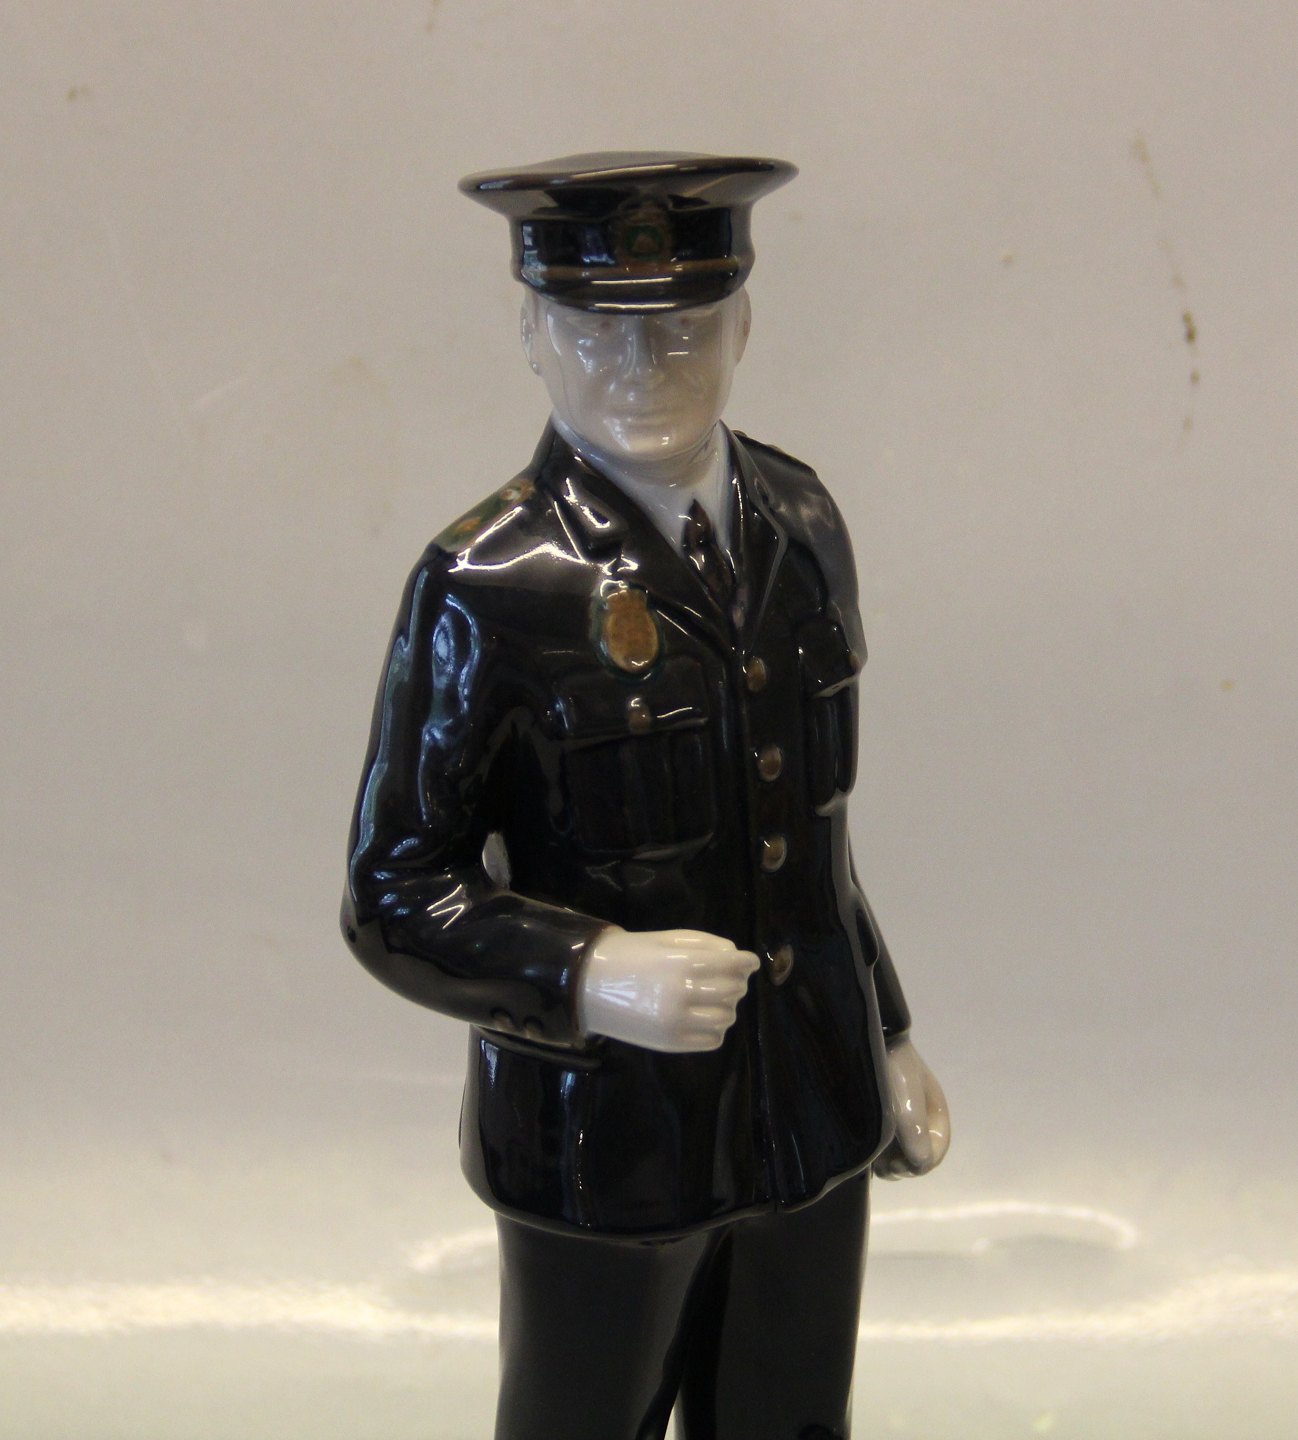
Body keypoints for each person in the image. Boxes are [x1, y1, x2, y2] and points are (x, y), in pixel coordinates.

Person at [342, 152, 949, 1440]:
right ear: (531, 335)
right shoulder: (490, 584)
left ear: (744, 325)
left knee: (791, 1417)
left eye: (682, 329)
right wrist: (590, 972)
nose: (641, 366)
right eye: (593, 330)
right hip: (605, 1138)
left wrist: (884, 1033)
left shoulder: (800, 521)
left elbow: (812, 839)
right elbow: (395, 890)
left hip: (810, 1101)